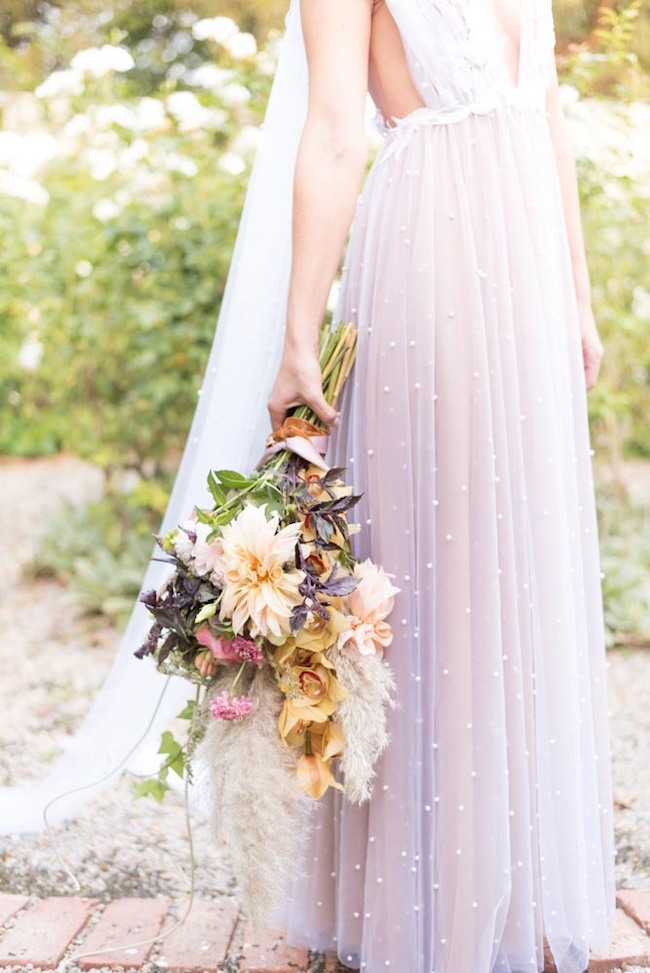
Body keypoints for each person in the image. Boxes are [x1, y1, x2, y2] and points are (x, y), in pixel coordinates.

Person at [267, 1, 617, 971]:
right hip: (431, 249)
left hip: (526, 267)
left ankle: (508, 883)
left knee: (520, 565)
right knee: (438, 571)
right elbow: (335, 132)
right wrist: (299, 336)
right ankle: (424, 905)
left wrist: (576, 302)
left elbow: (541, 114)